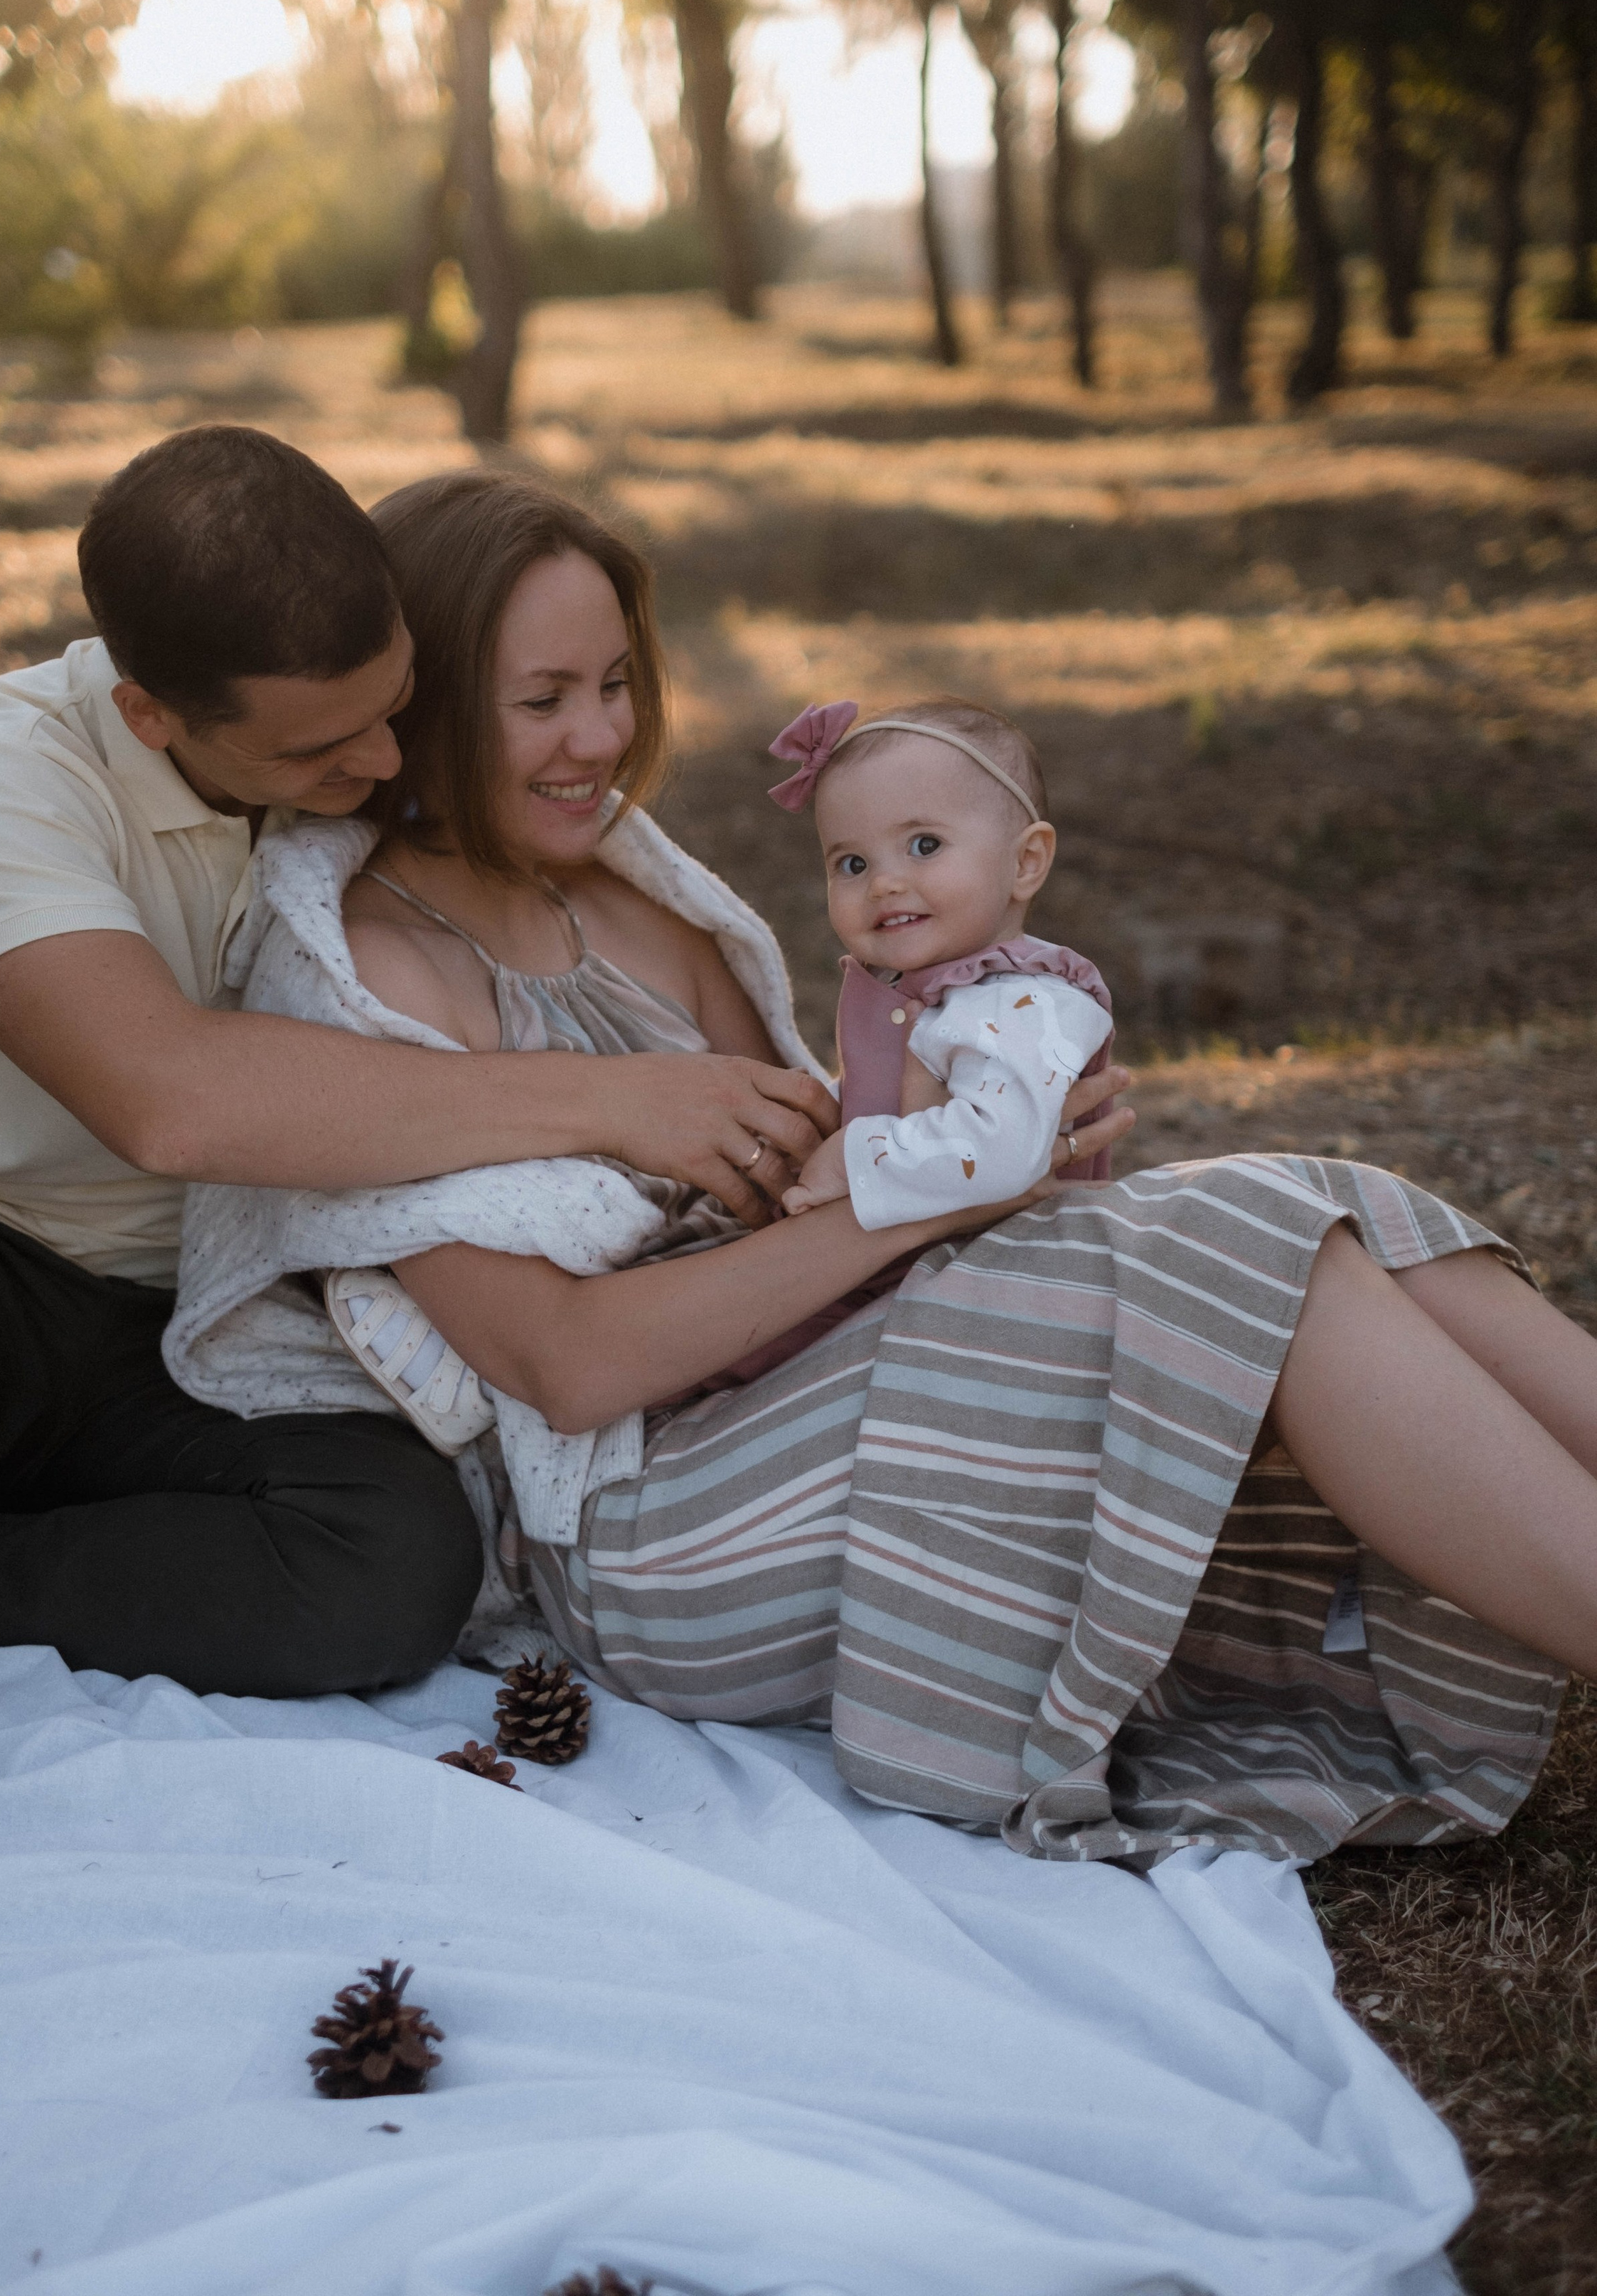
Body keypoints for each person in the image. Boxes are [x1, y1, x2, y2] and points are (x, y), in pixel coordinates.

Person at [175, 466, 1597, 1865]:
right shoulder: (361, 975)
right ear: (418, 705)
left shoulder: (623, 888)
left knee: (1309, 1201)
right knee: (1239, 1248)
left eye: (614, 681)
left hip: (819, 1367)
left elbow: (823, 1160)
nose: (598, 735)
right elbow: (569, 1368)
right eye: (541, 699)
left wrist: (1016, 1120)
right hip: (657, 1524)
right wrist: (945, 1193)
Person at [0, 427, 840, 1697]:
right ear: (149, 713)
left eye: (395, 710)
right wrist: (622, 1102)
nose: (384, 766)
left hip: (188, 1327)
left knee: (394, 1570)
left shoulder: (353, 763)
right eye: (319, 751)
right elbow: (168, 1101)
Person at [763, 695, 1116, 1222]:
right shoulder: (922, 992)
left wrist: (852, 1159)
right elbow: (899, 1099)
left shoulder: (1025, 1001)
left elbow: (1000, 1149)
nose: (883, 883)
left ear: (1025, 862)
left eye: (925, 845)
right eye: (853, 863)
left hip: (1012, 1267)